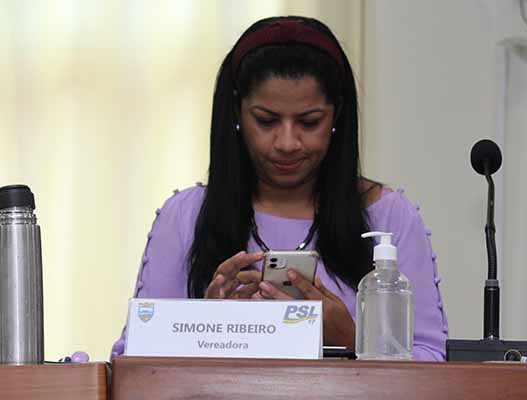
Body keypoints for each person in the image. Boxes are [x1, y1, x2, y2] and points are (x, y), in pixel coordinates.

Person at [111, 16, 448, 361]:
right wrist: (205, 328)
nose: (287, 143)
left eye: (309, 122)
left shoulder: (388, 216)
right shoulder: (185, 215)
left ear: (337, 117)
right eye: (266, 120)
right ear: (237, 113)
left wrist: (354, 341)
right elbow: (133, 363)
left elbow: (431, 361)